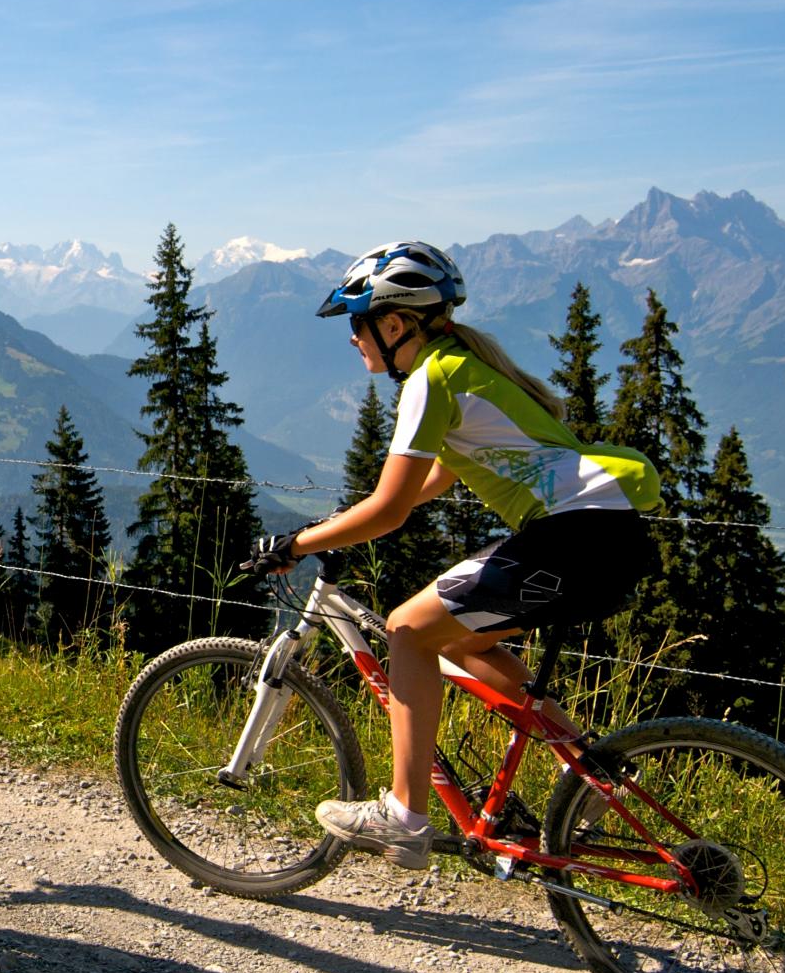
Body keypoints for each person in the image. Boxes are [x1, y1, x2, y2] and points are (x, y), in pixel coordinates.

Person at [250, 241, 661, 869]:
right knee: (462, 640)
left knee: (407, 630)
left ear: (394, 324)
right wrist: (330, 525)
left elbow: (390, 510)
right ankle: (593, 775)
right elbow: (419, 488)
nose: (354, 340)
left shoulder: (431, 379)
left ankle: (404, 815)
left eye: (358, 325)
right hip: (609, 538)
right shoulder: (464, 367)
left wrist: (297, 544)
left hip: (571, 536)